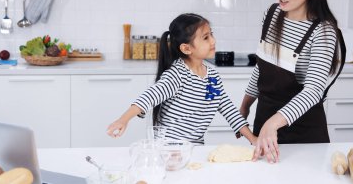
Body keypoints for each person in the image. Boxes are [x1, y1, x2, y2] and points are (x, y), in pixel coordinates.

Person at [239, 0, 346, 163]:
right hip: (265, 124)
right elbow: (262, 67)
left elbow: (314, 90)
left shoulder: (323, 31)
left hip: (304, 132)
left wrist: (275, 121)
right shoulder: (271, 15)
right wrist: (245, 106)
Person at [107, 13, 257, 145]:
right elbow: (149, 97)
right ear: (186, 48)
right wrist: (123, 119)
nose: (213, 41)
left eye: (211, 34)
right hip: (167, 149)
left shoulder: (212, 77)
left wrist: (252, 139)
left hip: (193, 149)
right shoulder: (177, 75)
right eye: (206, 37)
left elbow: (228, 109)